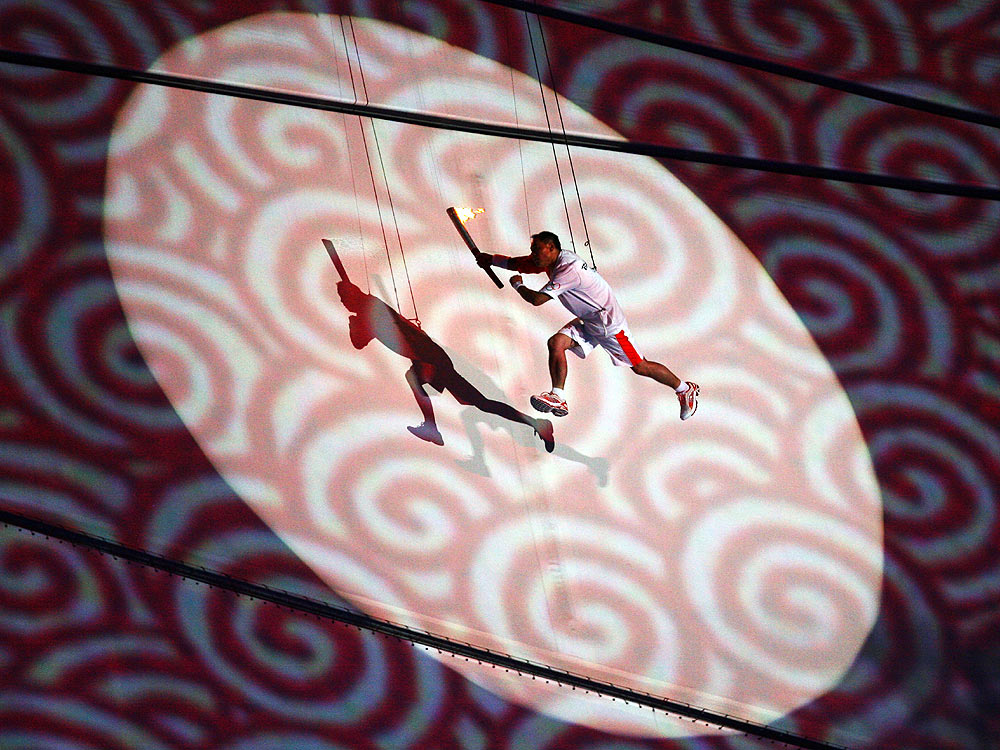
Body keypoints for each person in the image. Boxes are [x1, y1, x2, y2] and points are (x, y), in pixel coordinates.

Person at [475, 231, 698, 420]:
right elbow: (519, 263)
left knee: (640, 366)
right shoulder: (551, 261)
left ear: (551, 248)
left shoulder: (568, 269)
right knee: (556, 343)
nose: (533, 254)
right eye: (532, 250)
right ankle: (558, 397)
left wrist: (517, 285)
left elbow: (537, 300)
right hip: (589, 321)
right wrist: (490, 259)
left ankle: (684, 389)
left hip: (609, 326)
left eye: (537, 250)